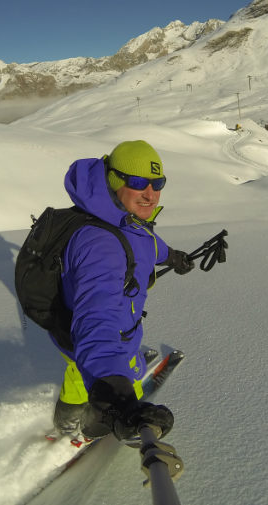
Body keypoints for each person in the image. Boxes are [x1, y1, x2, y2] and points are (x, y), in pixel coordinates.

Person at [51, 140, 194, 442]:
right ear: (115, 181)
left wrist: (173, 256)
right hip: (106, 341)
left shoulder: (124, 221)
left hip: (88, 339)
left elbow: (145, 243)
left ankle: (65, 421)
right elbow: (97, 319)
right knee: (107, 375)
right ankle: (88, 426)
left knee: (77, 374)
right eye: (139, 182)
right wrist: (120, 399)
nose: (150, 193)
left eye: (158, 183)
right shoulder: (100, 245)